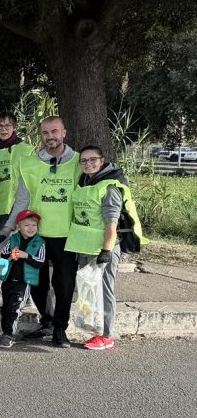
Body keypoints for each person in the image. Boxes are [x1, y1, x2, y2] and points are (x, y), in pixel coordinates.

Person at [0, 116, 79, 347]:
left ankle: (61, 329)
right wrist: (7, 229)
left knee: (64, 284)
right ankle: (47, 321)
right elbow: (22, 200)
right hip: (34, 235)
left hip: (66, 234)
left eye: (54, 131)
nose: (50, 136)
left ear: (64, 133)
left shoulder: (79, 162)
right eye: (45, 132)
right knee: (37, 281)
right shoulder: (30, 164)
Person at [64, 146, 147, 350]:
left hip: (103, 248)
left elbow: (112, 223)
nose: (88, 164)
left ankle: (107, 335)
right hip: (84, 246)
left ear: (102, 160)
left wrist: (106, 251)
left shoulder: (110, 186)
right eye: (83, 161)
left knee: (104, 290)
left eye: (92, 160)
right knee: (89, 290)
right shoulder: (84, 180)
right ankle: (95, 329)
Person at [0, 210, 46, 349]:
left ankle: (9, 335)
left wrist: (26, 255)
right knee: (5, 308)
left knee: (14, 309)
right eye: (27, 225)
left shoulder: (40, 242)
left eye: (34, 225)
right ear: (19, 226)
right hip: (9, 279)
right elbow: (4, 255)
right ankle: (5, 332)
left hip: (24, 281)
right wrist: (11, 254)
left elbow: (41, 261)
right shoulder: (13, 238)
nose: (31, 228)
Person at [0, 112, 34, 242]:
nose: (4, 129)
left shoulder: (26, 150)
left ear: (14, 127)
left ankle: (5, 263)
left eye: (8, 126)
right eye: (0, 126)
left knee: (8, 244)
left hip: (12, 205)